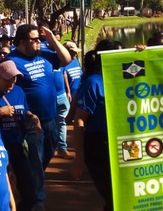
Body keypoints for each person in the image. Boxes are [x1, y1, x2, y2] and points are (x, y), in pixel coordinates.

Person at [7, 24, 71, 210]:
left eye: (39, 39)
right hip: (30, 125)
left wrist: (51, 39)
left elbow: (66, 59)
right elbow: (7, 91)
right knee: (34, 168)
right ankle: (35, 201)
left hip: (49, 120)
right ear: (22, 41)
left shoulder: (43, 55)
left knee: (40, 162)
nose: (38, 42)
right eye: (35, 39)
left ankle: (27, 192)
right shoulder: (12, 62)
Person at [71, 39, 121, 211]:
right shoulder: (94, 83)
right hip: (99, 146)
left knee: (123, 195)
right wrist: (79, 158)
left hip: (119, 143)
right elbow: (79, 120)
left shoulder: (123, 77)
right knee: (113, 198)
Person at [0, 59, 41, 211]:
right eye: (7, 78)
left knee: (29, 191)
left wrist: (32, 117)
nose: (12, 81)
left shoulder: (19, 91)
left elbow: (26, 112)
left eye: (14, 77)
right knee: (1, 193)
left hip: (18, 146)